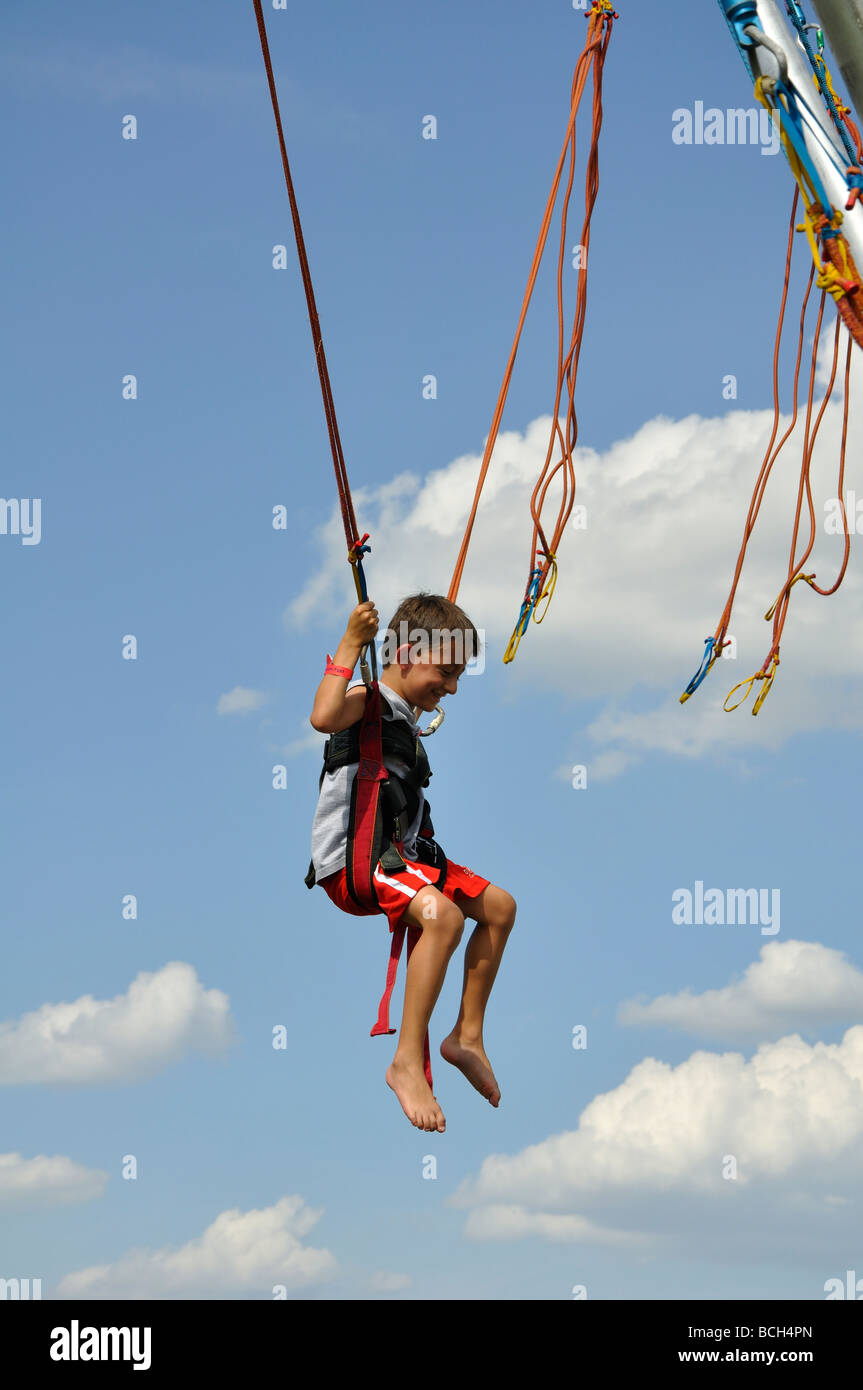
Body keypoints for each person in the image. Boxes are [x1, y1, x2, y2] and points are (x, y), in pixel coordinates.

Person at [307, 592, 517, 1134]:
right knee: (444, 916)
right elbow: (323, 715)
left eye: (457, 677)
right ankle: (405, 1062)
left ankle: (465, 1036)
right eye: (445, 673)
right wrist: (352, 642)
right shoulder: (368, 697)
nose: (450, 688)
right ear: (404, 654)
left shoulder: (405, 714)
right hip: (354, 863)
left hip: (402, 856)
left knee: (499, 908)